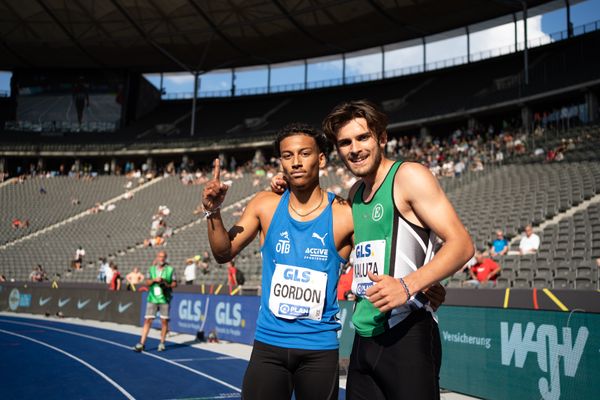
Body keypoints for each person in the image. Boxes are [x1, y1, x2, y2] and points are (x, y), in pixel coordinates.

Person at [321, 100, 473, 400]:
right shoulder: (355, 193)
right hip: (364, 334)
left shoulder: (409, 176)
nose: (355, 148)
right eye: (345, 142)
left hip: (407, 330)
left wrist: (409, 284)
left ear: (382, 137)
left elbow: (462, 244)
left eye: (363, 137)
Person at [202, 123, 354, 400]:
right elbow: (223, 253)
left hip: (319, 349)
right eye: (287, 155)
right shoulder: (265, 204)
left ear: (320, 159)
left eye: (304, 153)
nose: (295, 162)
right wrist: (213, 210)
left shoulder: (345, 213)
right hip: (269, 346)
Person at [133, 251, 177, 353]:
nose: (161, 258)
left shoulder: (171, 270)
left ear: (166, 258)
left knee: (164, 321)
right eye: (160, 256)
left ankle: (161, 343)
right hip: (152, 298)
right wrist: (154, 280)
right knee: (147, 320)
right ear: (157, 258)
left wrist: (166, 283)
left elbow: (175, 283)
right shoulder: (151, 269)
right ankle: (141, 343)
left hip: (164, 298)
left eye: (163, 257)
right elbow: (147, 282)